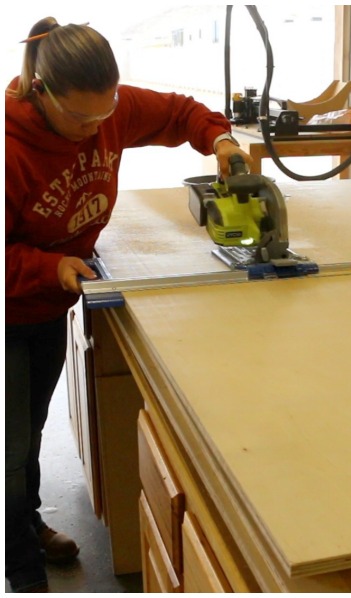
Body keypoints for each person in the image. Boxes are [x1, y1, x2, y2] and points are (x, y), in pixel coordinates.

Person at [5, 18, 252, 593]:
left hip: (47, 304)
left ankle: (27, 522)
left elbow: (179, 112)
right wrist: (50, 266)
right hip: (11, 307)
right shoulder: (8, 147)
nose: (98, 129)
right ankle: (22, 574)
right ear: (42, 93)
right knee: (11, 445)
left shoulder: (105, 110)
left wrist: (221, 140)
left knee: (29, 429)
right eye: (83, 120)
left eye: (107, 114)